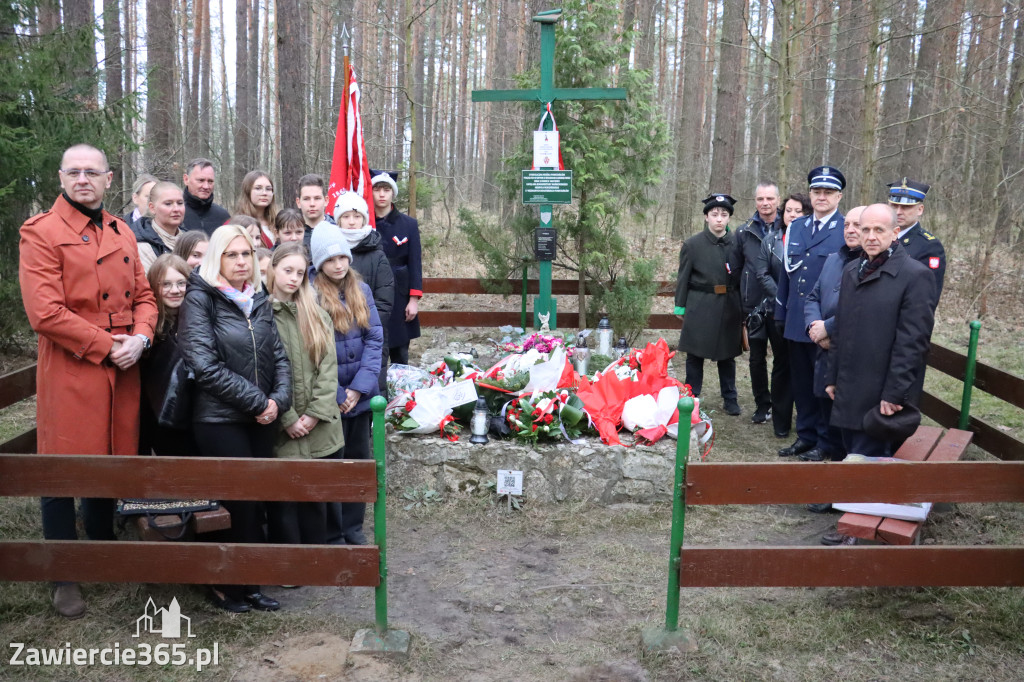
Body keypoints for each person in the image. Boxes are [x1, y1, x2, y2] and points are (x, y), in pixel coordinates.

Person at [18, 143, 158, 619]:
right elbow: (44, 313)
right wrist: (106, 345)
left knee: (111, 454)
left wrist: (141, 337)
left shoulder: (121, 230)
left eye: (92, 172)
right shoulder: (40, 231)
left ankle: (101, 544)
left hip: (124, 362)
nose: (83, 179)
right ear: (61, 178)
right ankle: (64, 573)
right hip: (73, 364)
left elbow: (145, 296)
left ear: (108, 179)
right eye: (74, 172)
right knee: (61, 467)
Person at [178, 224, 291, 613]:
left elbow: (279, 355)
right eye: (232, 255)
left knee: (255, 502)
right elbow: (204, 367)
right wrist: (258, 402)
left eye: (246, 254)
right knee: (234, 502)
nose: (242, 261)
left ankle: (252, 584)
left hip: (261, 417)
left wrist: (278, 400)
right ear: (217, 258)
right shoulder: (200, 299)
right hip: (219, 419)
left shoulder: (257, 298)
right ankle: (226, 584)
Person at [822, 204, 936, 543]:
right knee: (853, 455)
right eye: (865, 229)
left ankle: (857, 531)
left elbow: (913, 342)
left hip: (882, 390)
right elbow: (841, 329)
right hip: (849, 384)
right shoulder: (852, 270)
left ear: (894, 233)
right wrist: (832, 376)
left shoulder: (915, 276)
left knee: (870, 459)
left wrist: (895, 393)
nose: (870, 236)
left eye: (879, 230)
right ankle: (852, 520)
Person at [265, 243, 345, 546]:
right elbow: (262, 373)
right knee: (284, 504)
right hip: (281, 426)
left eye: (300, 273)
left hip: (318, 427)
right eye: (288, 270)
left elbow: (329, 368)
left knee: (315, 501)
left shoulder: (316, 315)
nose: (293, 278)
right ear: (273, 269)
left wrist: (314, 414)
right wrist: (287, 418)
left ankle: (316, 560)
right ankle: (287, 563)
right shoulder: (261, 316)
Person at [310, 223, 383, 546]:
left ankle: (354, 526)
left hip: (360, 395)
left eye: (342, 257)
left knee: (357, 462)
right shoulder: (310, 295)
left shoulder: (361, 290)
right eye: (330, 260)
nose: (338, 265)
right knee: (331, 464)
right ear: (319, 263)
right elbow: (312, 350)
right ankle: (332, 530)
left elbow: (375, 338)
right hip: (330, 397)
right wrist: (338, 393)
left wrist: (358, 388)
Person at [775, 166, 847, 460]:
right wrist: (780, 312)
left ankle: (824, 440)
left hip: (824, 321)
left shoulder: (846, 228)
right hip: (796, 318)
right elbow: (786, 273)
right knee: (801, 384)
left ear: (839, 196)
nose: (822, 197)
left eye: (828, 192)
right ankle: (805, 436)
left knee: (823, 386)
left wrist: (831, 325)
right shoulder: (797, 226)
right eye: (817, 191)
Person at [799, 205, 865, 468]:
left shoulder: (872, 264)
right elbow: (813, 296)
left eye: (858, 225)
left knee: (845, 411)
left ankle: (842, 460)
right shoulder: (834, 259)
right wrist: (815, 328)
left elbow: (863, 307)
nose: (851, 230)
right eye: (847, 224)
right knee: (823, 401)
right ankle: (825, 448)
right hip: (824, 348)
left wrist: (829, 327)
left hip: (851, 350)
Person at [674, 194, 744, 415]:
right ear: (706, 217)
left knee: (727, 356)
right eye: (714, 214)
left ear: (729, 217)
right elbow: (683, 277)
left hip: (730, 305)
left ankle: (730, 398)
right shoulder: (693, 245)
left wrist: (744, 305)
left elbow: (744, 276)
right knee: (695, 355)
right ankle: (691, 396)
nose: (719, 219)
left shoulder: (737, 243)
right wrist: (680, 305)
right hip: (700, 305)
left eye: (724, 214)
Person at [756, 192, 809, 439]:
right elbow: (762, 273)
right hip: (776, 312)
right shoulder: (770, 240)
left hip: (805, 312)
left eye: (798, 211)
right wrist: (782, 298)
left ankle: (806, 420)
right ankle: (781, 419)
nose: (793, 215)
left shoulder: (811, 240)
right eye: (789, 210)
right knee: (782, 364)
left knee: (804, 366)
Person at [330, 192, 394, 391]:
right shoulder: (328, 252)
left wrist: (361, 327)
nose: (351, 222)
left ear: (364, 219)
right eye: (346, 216)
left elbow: (384, 302)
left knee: (371, 393)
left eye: (357, 216)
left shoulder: (377, 255)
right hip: (334, 339)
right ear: (338, 219)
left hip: (368, 336)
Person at [139, 254, 198, 457]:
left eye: (181, 283)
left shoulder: (199, 321)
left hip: (194, 416)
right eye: (166, 284)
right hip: (157, 418)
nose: (175, 290)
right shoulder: (148, 327)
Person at [734, 181, 783, 425]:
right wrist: (740, 302)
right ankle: (762, 404)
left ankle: (781, 405)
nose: (765, 203)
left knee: (782, 359)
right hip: (753, 305)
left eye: (770, 198)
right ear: (755, 201)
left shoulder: (790, 227)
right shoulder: (744, 232)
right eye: (761, 199)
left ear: (778, 200)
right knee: (756, 358)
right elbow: (736, 269)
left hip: (780, 304)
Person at [371, 170, 423, 366]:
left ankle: (400, 384)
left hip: (400, 295)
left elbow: (415, 263)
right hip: (373, 292)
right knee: (374, 351)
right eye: (377, 189)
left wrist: (413, 299)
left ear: (393, 193)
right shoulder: (364, 223)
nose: (381, 194)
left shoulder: (408, 224)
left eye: (386, 190)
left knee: (400, 352)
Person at [887, 178, 946, 307]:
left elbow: (926, 298)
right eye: (894, 205)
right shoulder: (879, 237)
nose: (898, 212)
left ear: (920, 209)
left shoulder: (930, 246)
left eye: (906, 207)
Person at [132, 181, 185, 273]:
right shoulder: (143, 246)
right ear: (152, 208)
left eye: (180, 203)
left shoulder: (190, 239)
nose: (176, 209)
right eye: (168, 204)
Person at [181, 158, 230, 236]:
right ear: (186, 179)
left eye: (210, 181)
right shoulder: (176, 213)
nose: (206, 186)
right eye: (201, 180)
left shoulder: (223, 216)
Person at [235, 170, 279, 248]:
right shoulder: (236, 225)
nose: (264, 193)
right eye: (258, 188)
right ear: (248, 191)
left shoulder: (279, 222)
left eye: (268, 189)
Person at [295, 174, 331, 253]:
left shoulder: (338, 230)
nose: (312, 204)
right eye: (306, 199)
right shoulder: (292, 235)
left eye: (317, 198)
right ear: (298, 202)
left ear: (326, 200)